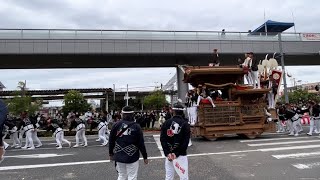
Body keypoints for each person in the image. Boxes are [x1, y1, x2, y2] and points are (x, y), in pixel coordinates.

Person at [109, 106, 148, 180]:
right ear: (132, 114)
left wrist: (111, 153)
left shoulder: (116, 125)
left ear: (122, 114)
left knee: (121, 175)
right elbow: (141, 143)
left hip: (119, 154)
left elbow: (111, 140)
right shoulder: (136, 126)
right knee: (132, 177)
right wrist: (145, 157)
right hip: (132, 155)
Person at [160, 103, 190, 180]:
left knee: (169, 177)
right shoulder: (185, 124)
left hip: (169, 155)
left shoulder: (166, 123)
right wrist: (176, 153)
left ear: (173, 111)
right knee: (183, 177)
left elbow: (162, 139)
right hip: (181, 154)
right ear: (182, 112)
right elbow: (185, 142)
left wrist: (167, 153)